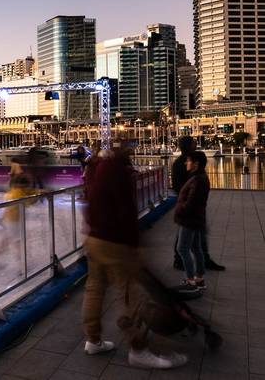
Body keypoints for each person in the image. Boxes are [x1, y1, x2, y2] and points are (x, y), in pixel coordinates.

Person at [82, 148, 185, 369]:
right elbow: (126, 212)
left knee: (95, 288)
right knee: (130, 294)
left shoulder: (97, 170)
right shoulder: (119, 174)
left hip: (94, 238)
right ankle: (138, 348)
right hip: (114, 243)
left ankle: (93, 339)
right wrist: (134, 245)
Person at [171, 137, 225, 272]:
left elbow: (177, 185)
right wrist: (186, 204)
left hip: (190, 206)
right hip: (191, 207)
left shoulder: (180, 162)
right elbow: (184, 186)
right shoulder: (187, 163)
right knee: (190, 236)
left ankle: (199, 262)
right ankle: (188, 265)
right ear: (188, 146)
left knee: (195, 236)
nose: (196, 145)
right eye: (194, 143)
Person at [174, 151, 211, 294]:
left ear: (196, 163)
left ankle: (191, 281)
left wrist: (179, 210)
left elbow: (191, 203)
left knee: (182, 248)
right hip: (196, 218)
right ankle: (199, 279)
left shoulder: (197, 180)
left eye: (188, 160)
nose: (185, 162)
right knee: (196, 248)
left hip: (189, 220)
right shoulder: (199, 177)